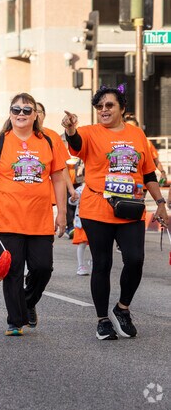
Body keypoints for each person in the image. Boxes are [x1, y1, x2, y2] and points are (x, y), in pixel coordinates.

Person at [62, 85, 168, 341]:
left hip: (130, 207)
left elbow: (148, 173)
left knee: (135, 260)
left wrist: (161, 202)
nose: (103, 110)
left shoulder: (137, 134)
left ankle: (122, 309)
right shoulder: (88, 133)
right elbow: (75, 143)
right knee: (103, 263)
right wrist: (70, 129)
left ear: (122, 108)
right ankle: (102, 320)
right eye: (99, 107)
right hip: (97, 207)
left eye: (109, 105)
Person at [0, 92, 67, 336]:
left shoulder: (46, 141)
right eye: (16, 110)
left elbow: (58, 178)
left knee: (43, 268)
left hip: (39, 220)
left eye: (27, 110)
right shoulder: (0, 142)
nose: (21, 114)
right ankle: (15, 321)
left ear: (35, 115)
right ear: (10, 114)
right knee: (13, 270)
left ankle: (27, 303)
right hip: (7, 219)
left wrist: (62, 213)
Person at [37, 102, 79, 238]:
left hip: (45, 194)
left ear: (44, 115)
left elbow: (61, 167)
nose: (36, 114)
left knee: (41, 231)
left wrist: (71, 189)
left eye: (39, 111)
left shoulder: (52, 136)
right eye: (33, 111)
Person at [69, 184, 91, 276]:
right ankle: (80, 266)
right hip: (82, 222)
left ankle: (94, 262)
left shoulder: (100, 186)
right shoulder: (81, 189)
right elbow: (73, 201)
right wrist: (72, 199)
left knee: (96, 245)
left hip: (97, 221)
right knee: (82, 244)